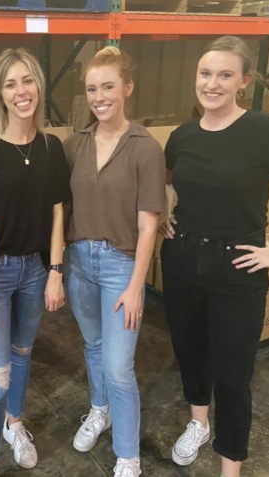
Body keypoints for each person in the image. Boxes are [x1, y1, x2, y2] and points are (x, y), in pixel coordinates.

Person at [158, 36, 269, 477]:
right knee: (190, 350)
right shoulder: (182, 135)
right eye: (205, 73)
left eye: (224, 75)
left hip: (238, 267)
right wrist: (165, 211)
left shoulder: (264, 131)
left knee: (233, 372)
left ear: (244, 81)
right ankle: (198, 423)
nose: (212, 84)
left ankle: (230, 464)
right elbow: (167, 181)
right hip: (182, 259)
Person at [0, 48, 70, 477]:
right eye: (11, 84)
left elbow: (59, 212)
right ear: (0, 95)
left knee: (23, 355)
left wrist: (56, 273)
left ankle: (15, 423)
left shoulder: (51, 147)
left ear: (39, 87)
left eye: (27, 81)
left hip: (37, 271)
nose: (21, 91)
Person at [63, 46, 166, 477]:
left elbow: (147, 226)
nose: (99, 96)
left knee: (119, 366)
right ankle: (99, 409)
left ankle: (127, 454)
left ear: (127, 88)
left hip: (121, 265)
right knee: (94, 347)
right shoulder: (74, 146)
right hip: (78, 262)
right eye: (91, 89)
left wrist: (135, 285)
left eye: (107, 86)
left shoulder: (145, 148)